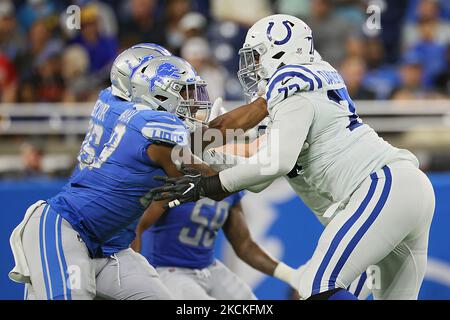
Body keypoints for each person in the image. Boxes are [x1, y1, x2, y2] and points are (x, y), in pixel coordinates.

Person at [150, 14, 436, 300]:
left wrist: (210, 186)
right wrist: (209, 160)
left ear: (280, 50)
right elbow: (260, 174)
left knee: (317, 285)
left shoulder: (291, 83)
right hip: (403, 189)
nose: (253, 67)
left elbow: (277, 161)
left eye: (257, 57)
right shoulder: (300, 100)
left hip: (382, 186)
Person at [9, 45, 185, 300]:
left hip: (109, 243)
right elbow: (191, 163)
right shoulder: (139, 121)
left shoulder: (111, 102)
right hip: (70, 226)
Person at [133, 189, 297, 300]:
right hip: (168, 269)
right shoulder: (176, 175)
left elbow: (244, 245)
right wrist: (137, 278)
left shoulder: (231, 182)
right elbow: (136, 225)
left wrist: (292, 276)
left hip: (208, 267)